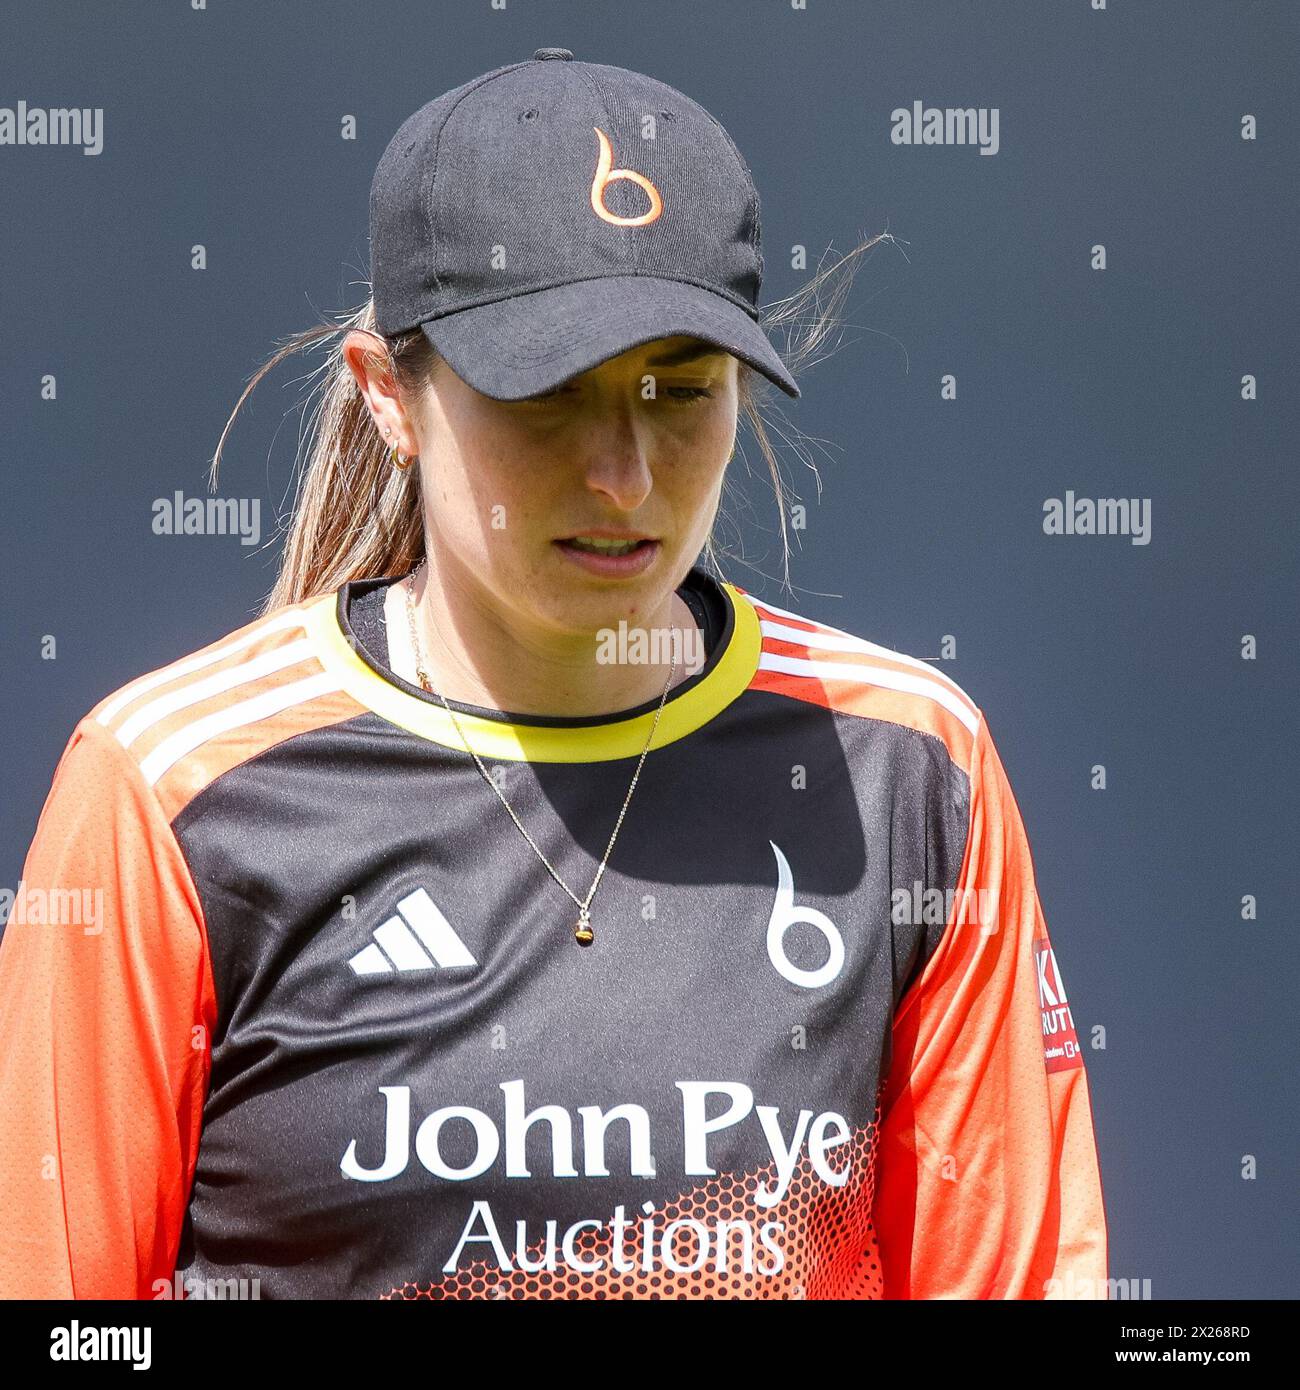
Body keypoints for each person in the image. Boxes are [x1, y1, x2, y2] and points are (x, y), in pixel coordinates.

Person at [0, 48, 1107, 1300]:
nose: (625, 476)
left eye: (680, 391)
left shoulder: (909, 762)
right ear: (387, 395)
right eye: (545, 399)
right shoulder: (167, 786)